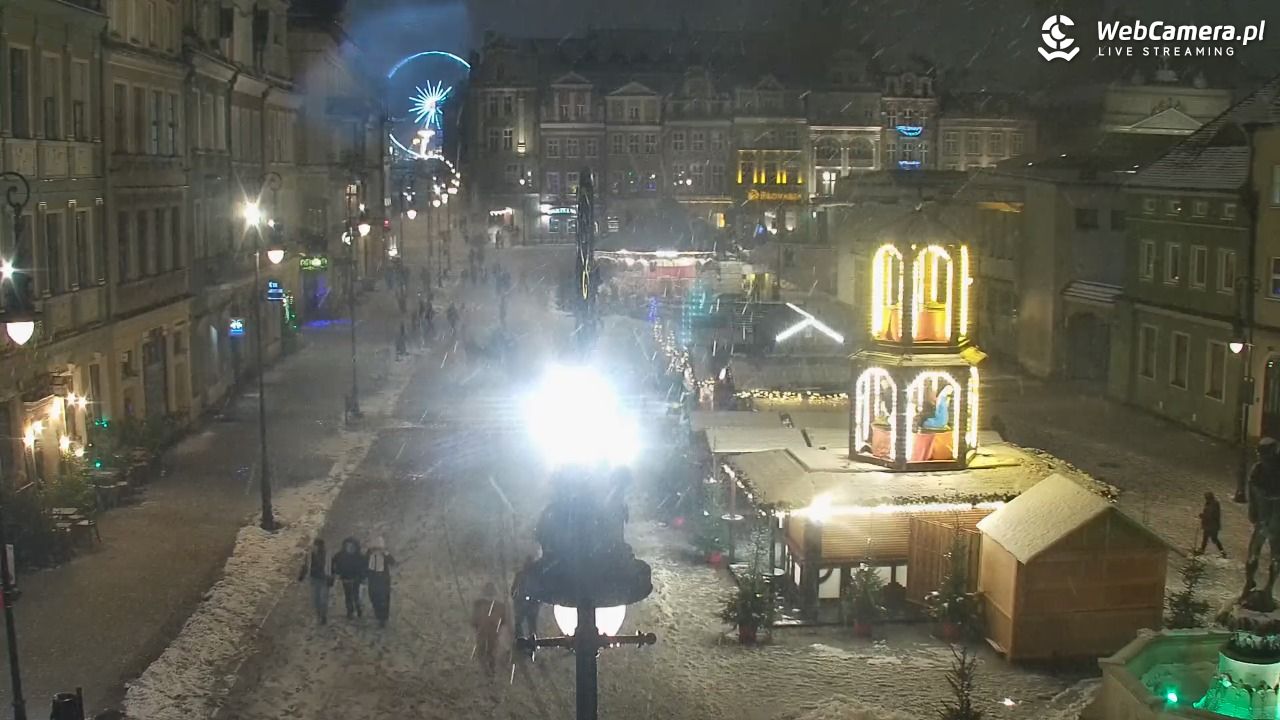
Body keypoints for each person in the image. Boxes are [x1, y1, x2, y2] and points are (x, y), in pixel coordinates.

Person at [471, 582, 507, 678]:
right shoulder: (500, 606)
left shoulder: (478, 604)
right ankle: (492, 669)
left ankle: (487, 670)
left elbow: (474, 621)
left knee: (480, 652)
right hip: (494, 631)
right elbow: (504, 620)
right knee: (491, 652)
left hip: (482, 631)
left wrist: (476, 625)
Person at [297, 538, 331, 624]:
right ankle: (319, 615)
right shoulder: (309, 555)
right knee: (316, 599)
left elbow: (328, 566)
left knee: (323, 599)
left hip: (323, 579)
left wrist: (330, 578)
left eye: (317, 546)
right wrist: (302, 575)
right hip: (314, 578)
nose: (315, 547)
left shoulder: (326, 554)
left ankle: (323, 615)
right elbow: (305, 566)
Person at [365, 537, 396, 628]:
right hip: (373, 580)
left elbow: (393, 562)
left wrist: (385, 553)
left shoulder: (385, 554)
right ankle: (378, 615)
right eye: (375, 547)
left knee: (384, 599)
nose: (376, 549)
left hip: (383, 580)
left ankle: (383, 618)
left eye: (378, 547)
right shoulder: (369, 554)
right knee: (373, 597)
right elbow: (364, 564)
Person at [331, 537, 365, 619]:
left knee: (355, 595)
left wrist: (362, 577)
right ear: (345, 546)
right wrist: (336, 572)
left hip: (356, 579)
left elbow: (364, 567)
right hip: (345, 578)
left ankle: (358, 609)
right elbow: (333, 562)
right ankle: (350, 612)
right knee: (348, 596)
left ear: (355, 546)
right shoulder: (340, 555)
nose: (350, 547)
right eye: (348, 545)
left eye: (351, 546)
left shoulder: (359, 556)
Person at [510, 556, 539, 641]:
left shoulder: (535, 576)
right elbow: (513, 589)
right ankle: (519, 639)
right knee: (519, 622)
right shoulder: (520, 575)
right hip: (522, 602)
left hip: (531, 603)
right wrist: (516, 598)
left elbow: (540, 590)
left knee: (532, 624)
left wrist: (537, 601)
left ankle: (533, 641)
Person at [1199, 492, 1226, 557]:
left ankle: (1222, 552)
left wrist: (1203, 516)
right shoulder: (1210, 503)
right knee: (1205, 538)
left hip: (1212, 525)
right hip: (1209, 525)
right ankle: (1202, 550)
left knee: (1214, 539)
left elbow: (1212, 515)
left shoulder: (1214, 504)